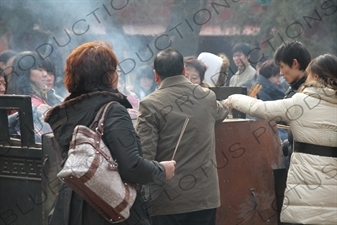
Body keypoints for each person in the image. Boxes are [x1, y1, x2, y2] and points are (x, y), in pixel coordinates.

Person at [44, 41, 176, 225]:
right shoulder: (113, 110)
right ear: (107, 75)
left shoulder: (67, 113)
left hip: (72, 205)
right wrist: (162, 170)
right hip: (106, 207)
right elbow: (131, 166)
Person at [224, 54, 337, 225]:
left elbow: (260, 108)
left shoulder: (301, 102)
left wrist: (233, 99)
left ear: (315, 76)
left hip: (304, 200)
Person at [136, 48, 229, 225]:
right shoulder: (207, 97)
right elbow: (221, 111)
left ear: (156, 76)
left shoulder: (150, 104)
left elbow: (145, 157)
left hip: (166, 201)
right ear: (184, 71)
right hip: (204, 198)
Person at [6, 51, 53, 142]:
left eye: (45, 70)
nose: (45, 74)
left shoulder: (42, 96)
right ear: (26, 72)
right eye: (39, 70)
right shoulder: (27, 101)